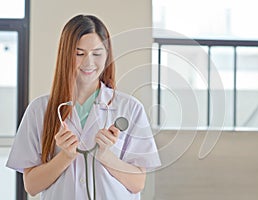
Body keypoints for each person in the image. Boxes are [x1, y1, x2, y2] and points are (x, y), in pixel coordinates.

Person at [6, 14, 161, 200]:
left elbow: (138, 183)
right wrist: (65, 156)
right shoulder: (39, 110)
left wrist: (105, 155)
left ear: (107, 55)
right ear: (65, 54)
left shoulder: (130, 108)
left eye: (97, 53)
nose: (88, 62)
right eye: (79, 53)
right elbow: (31, 186)